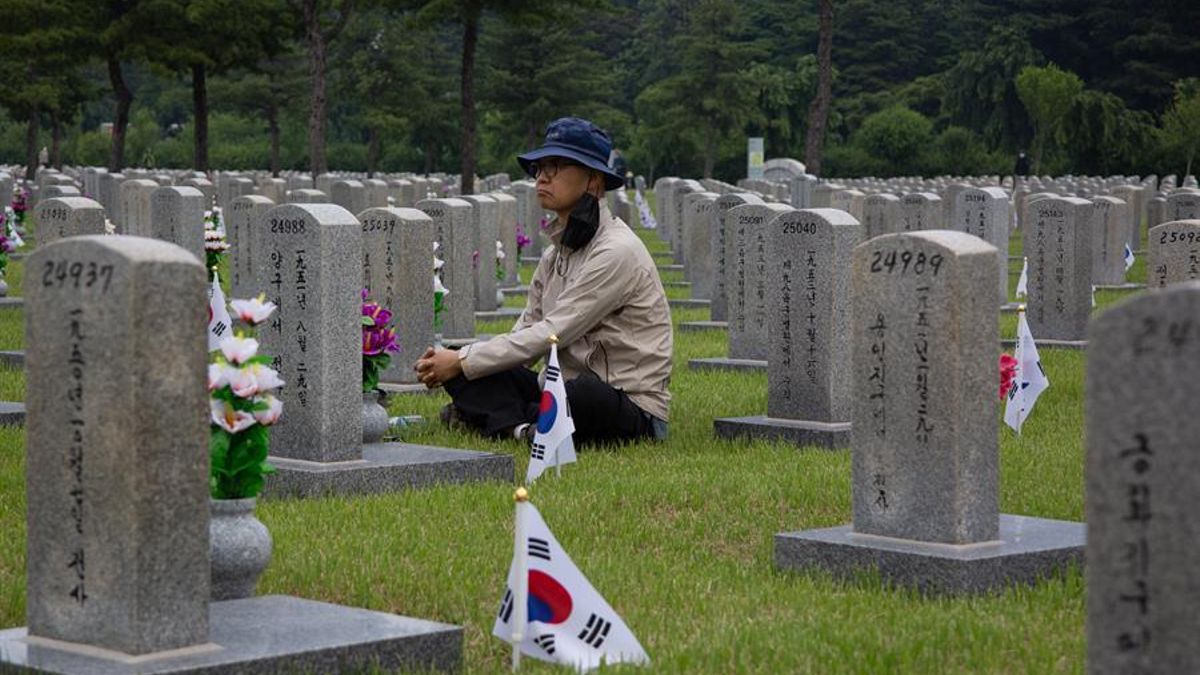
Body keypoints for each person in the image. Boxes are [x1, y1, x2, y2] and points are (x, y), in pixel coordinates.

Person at [414, 117, 672, 445]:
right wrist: (461, 360)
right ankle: (525, 429)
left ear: (593, 181)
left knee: (583, 393)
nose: (542, 177)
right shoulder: (556, 254)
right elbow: (524, 338)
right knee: (468, 361)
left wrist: (464, 362)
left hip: (628, 404)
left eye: (558, 166)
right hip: (554, 388)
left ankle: (507, 419)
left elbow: (552, 332)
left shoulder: (616, 250)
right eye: (540, 167)